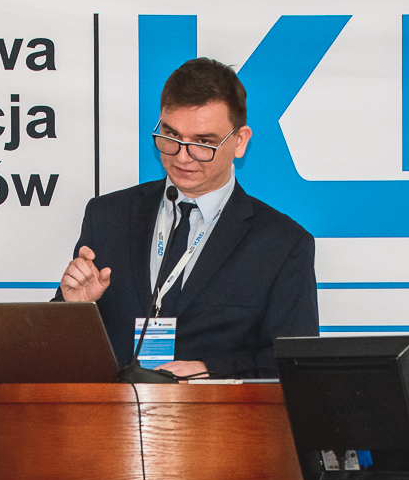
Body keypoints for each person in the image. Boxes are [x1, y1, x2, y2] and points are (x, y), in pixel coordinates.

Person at [57, 57, 318, 379]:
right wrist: (75, 308)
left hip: (218, 411)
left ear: (240, 141)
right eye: (171, 137)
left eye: (203, 143)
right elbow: (55, 353)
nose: (182, 157)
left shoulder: (282, 243)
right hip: (113, 408)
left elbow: (294, 365)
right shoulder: (108, 216)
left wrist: (211, 372)